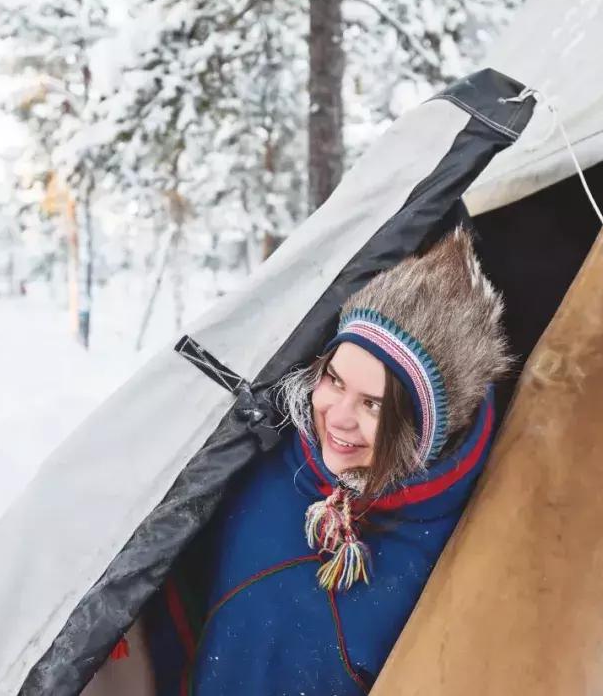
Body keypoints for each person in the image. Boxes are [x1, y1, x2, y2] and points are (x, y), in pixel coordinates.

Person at [142, 226, 511, 695]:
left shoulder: (448, 549)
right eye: (334, 380)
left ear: (425, 428)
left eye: (373, 404)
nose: (337, 418)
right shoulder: (262, 448)